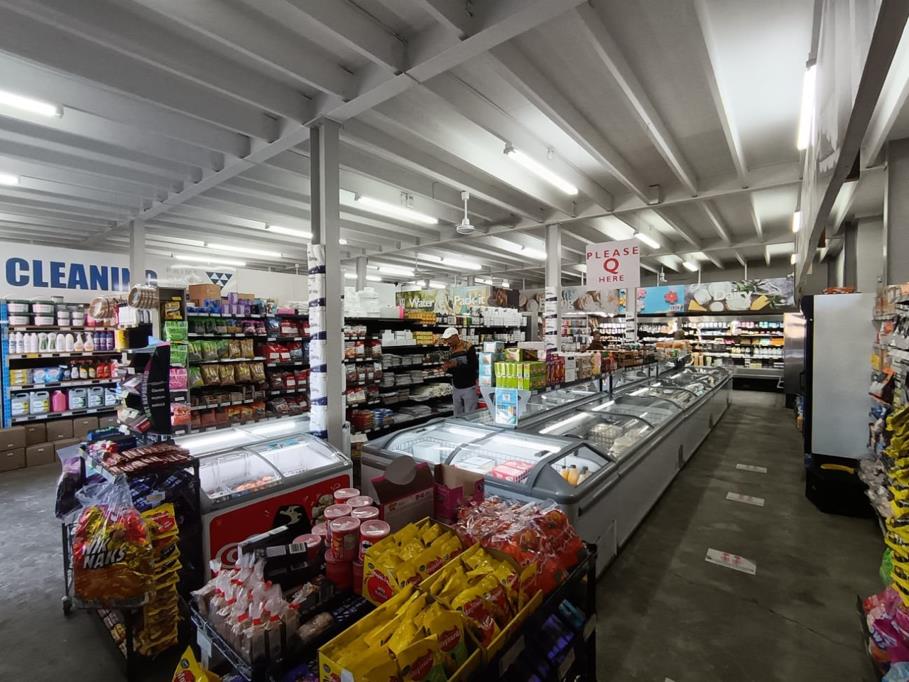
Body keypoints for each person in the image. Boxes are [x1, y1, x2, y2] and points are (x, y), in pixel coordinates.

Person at [440, 327, 478, 416]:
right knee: (457, 414)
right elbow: (454, 370)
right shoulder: (451, 350)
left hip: (469, 386)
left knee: (470, 414)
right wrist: (447, 369)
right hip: (456, 387)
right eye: (446, 340)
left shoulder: (468, 347)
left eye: (448, 339)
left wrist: (457, 364)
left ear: (455, 336)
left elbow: (473, 367)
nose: (447, 342)